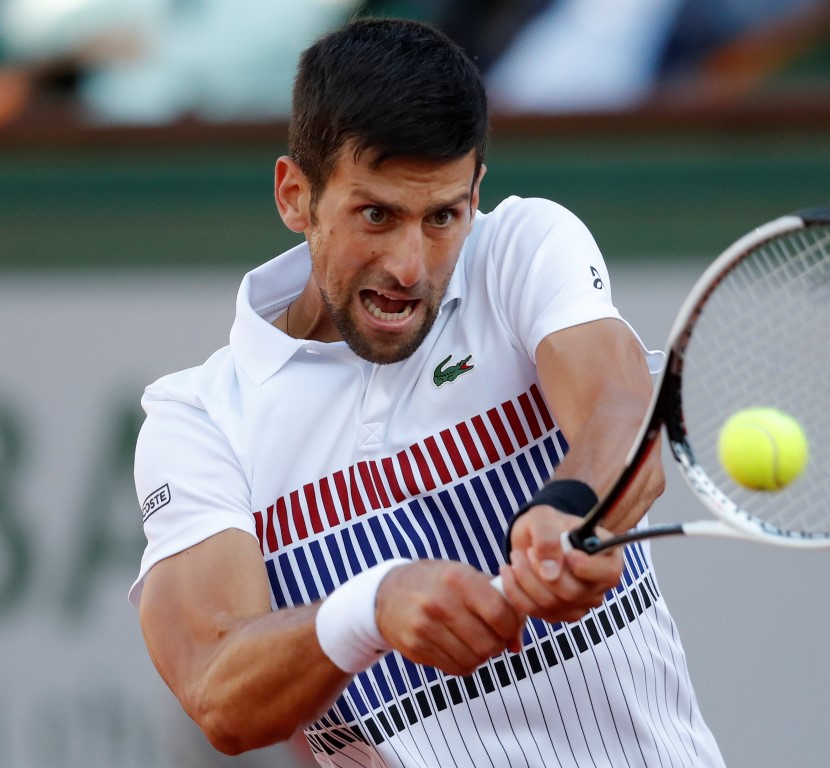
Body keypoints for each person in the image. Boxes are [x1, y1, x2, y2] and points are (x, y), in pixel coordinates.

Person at [131, 16, 725, 768]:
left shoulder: (521, 248)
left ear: (476, 191)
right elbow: (218, 692)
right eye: (375, 215)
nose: (409, 265)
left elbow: (619, 413)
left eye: (443, 216)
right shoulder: (199, 421)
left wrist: (571, 508)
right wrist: (371, 608)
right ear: (295, 196)